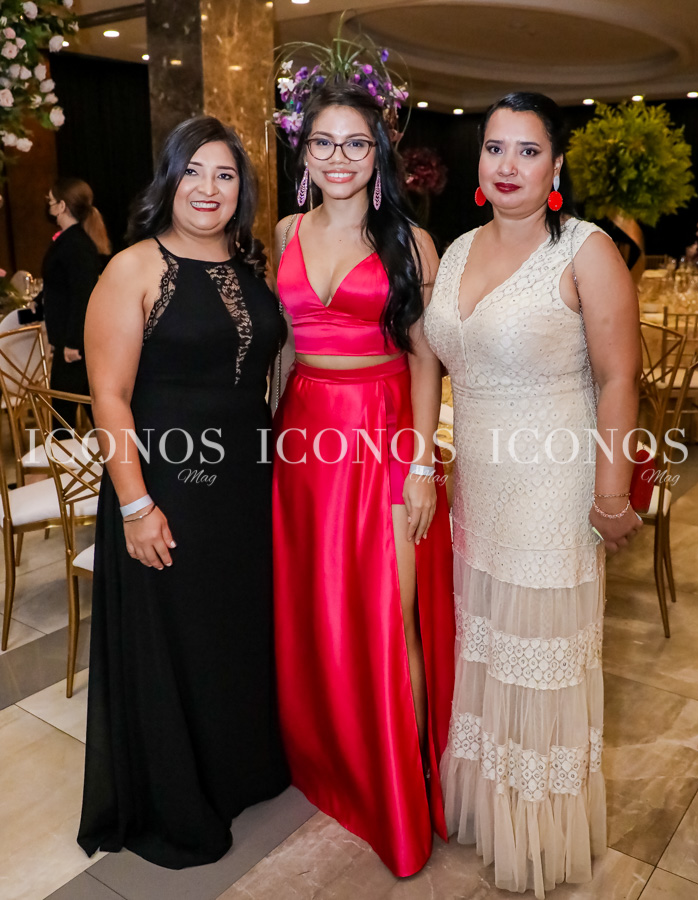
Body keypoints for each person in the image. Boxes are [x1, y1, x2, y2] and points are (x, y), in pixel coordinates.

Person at [424, 92, 642, 897]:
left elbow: (619, 378)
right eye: (494, 148)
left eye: (526, 150)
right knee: (486, 649)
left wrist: (610, 497)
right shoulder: (456, 250)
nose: (507, 165)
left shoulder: (586, 250)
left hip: (553, 489)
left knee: (537, 661)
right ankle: (491, 813)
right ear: (478, 162)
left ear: (555, 166)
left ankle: (538, 837)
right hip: (477, 489)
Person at [78, 116, 289, 868]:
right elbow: (109, 396)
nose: (208, 188)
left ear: (242, 190)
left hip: (244, 488)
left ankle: (237, 772)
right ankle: (176, 794)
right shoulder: (132, 267)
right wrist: (136, 505)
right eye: (193, 171)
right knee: (176, 638)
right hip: (165, 487)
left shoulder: (250, 264)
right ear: (169, 179)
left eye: (225, 175)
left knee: (231, 633)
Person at [272, 81, 456, 878]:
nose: (338, 157)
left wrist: (420, 464)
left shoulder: (410, 242)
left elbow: (425, 360)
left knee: (389, 613)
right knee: (317, 608)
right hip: (302, 437)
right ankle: (332, 761)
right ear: (303, 152)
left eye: (354, 142)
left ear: (376, 152)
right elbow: (279, 345)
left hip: (381, 432)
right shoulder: (284, 230)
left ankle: (401, 783)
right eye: (323, 142)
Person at [42, 177, 111, 425]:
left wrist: (72, 343)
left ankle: (62, 452)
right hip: (71, 341)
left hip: (74, 345)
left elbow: (84, 296)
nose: (48, 205)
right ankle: (111, 447)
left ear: (62, 206)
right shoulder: (70, 240)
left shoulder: (75, 244)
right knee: (91, 409)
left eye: (50, 201)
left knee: (62, 416)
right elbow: (61, 283)